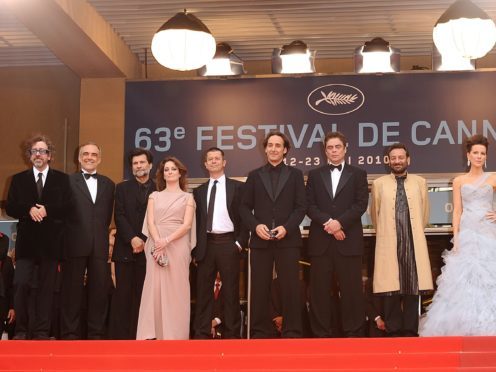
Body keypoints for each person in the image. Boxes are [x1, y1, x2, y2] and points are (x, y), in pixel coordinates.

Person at [420, 134, 496, 336]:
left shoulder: (493, 177)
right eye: (476, 153)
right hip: (468, 234)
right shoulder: (459, 180)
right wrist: (457, 239)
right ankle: (465, 327)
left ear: (486, 156)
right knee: (464, 281)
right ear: (468, 155)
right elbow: (456, 211)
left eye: (482, 153)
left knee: (489, 278)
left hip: (489, 234)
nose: (479, 156)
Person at [240, 131, 306, 338]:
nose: (274, 149)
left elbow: (301, 207)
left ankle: (293, 331)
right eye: (270, 145)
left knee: (290, 288)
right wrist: (255, 226)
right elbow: (243, 206)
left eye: (278, 145)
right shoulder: (254, 175)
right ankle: (260, 331)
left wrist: (287, 227)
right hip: (260, 241)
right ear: (265, 148)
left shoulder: (296, 174)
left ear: (285, 150)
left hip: (288, 239)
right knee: (259, 287)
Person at [6, 134, 70, 339]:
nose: (38, 154)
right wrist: (29, 210)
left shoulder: (62, 179)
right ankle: (22, 330)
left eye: (42, 151)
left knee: (46, 289)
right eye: (35, 151)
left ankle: (42, 331)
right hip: (26, 245)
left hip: (51, 245)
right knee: (21, 284)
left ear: (49, 155)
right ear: (30, 155)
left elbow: (69, 208)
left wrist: (47, 210)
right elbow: (11, 207)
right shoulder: (17, 179)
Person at [306, 131, 368, 337]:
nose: (334, 151)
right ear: (325, 151)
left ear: (345, 148)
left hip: (348, 240)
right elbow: (309, 205)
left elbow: (361, 204)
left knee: (352, 290)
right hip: (320, 241)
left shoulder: (358, 173)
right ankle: (321, 333)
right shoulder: (314, 175)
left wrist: (339, 224)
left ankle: (353, 332)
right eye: (330, 147)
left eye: (337, 147)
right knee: (319, 291)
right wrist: (329, 223)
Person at [370, 143, 433, 337]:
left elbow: (424, 215)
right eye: (394, 158)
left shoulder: (420, 182)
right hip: (389, 242)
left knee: (412, 286)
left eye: (401, 157)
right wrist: (387, 234)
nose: (397, 161)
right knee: (390, 288)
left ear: (408, 160)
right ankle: (392, 330)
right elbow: (375, 215)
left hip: (413, 243)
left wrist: (410, 232)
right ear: (388, 161)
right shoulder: (379, 183)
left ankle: (410, 331)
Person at [136, 156, 196, 340]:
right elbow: (151, 222)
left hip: (177, 245)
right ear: (162, 174)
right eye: (166, 170)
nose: (170, 172)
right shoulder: (154, 196)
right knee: (154, 288)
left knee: (177, 289)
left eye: (173, 169)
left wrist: (167, 240)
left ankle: (176, 334)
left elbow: (186, 225)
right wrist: (158, 242)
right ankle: (152, 333)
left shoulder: (188, 197)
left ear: (180, 173)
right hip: (156, 245)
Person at [61, 142, 115, 340]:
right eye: (85, 154)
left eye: (94, 154)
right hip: (74, 243)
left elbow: (106, 215)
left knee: (99, 292)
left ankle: (96, 334)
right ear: (79, 157)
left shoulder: (109, 184)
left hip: (99, 245)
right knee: (71, 291)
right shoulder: (67, 181)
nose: (89, 157)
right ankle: (69, 333)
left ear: (99, 158)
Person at [193, 147, 247, 339]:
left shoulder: (238, 187)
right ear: (205, 164)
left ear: (224, 163)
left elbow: (245, 217)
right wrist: (195, 249)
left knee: (231, 292)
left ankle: (232, 335)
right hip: (206, 245)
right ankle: (201, 333)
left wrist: (239, 243)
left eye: (217, 158)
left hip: (229, 243)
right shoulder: (198, 191)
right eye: (210, 159)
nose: (214, 161)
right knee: (203, 290)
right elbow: (196, 222)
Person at [108, 148, 155, 340]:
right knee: (123, 297)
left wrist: (144, 241)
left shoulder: (159, 188)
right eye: (135, 163)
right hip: (125, 250)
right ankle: (121, 339)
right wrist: (132, 238)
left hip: (151, 251)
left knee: (144, 296)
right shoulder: (121, 188)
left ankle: (143, 336)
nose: (138, 166)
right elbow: (119, 215)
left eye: (142, 162)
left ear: (150, 165)